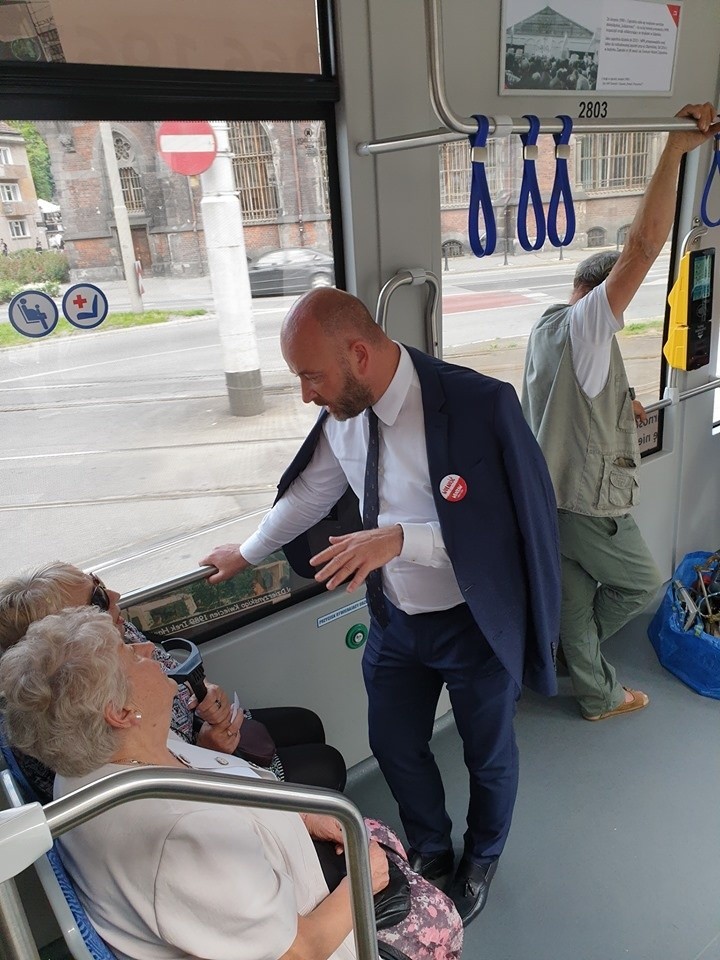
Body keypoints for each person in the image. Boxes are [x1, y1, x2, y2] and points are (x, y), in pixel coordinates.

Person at [201, 288, 561, 925]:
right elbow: (314, 490)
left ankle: (482, 853)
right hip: (395, 619)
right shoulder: (346, 409)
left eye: (311, 376)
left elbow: (512, 530)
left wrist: (400, 538)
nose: (307, 394)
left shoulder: (479, 406)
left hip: (471, 623)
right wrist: (249, 551)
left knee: (488, 752)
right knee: (394, 744)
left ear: (359, 354)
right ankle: (430, 847)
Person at [0, 607, 463, 960]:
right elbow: (296, 952)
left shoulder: (104, 756)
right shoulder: (181, 839)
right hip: (316, 932)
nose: (146, 651)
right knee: (444, 921)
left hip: (291, 870)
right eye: (130, 654)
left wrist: (302, 813)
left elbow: (231, 786)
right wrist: (364, 881)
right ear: (120, 712)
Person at [521, 101, 720, 722]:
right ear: (601, 295)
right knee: (639, 582)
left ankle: (595, 691)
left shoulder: (545, 329)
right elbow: (642, 245)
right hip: (586, 505)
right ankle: (583, 667)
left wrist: (623, 404)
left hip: (547, 498)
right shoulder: (585, 326)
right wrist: (672, 152)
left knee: (576, 604)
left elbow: (573, 398)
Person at [0, 563, 346, 799]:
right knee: (327, 765)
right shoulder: (76, 709)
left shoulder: (119, 630)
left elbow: (168, 672)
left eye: (100, 584)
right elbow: (158, 783)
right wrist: (206, 749)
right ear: (65, 633)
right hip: (195, 772)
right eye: (99, 599)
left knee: (307, 723)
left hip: (197, 728)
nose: (116, 596)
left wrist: (204, 692)